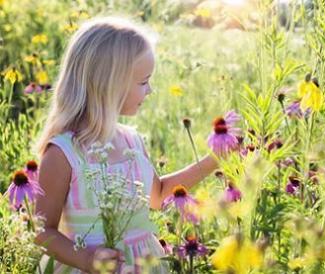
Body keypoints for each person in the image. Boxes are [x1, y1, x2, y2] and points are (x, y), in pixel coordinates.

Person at [33, 16, 219, 273]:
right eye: (143, 82)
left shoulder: (132, 140)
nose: (150, 90)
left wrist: (214, 160)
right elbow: (43, 231)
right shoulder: (63, 153)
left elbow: (158, 195)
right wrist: (86, 259)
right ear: (109, 85)